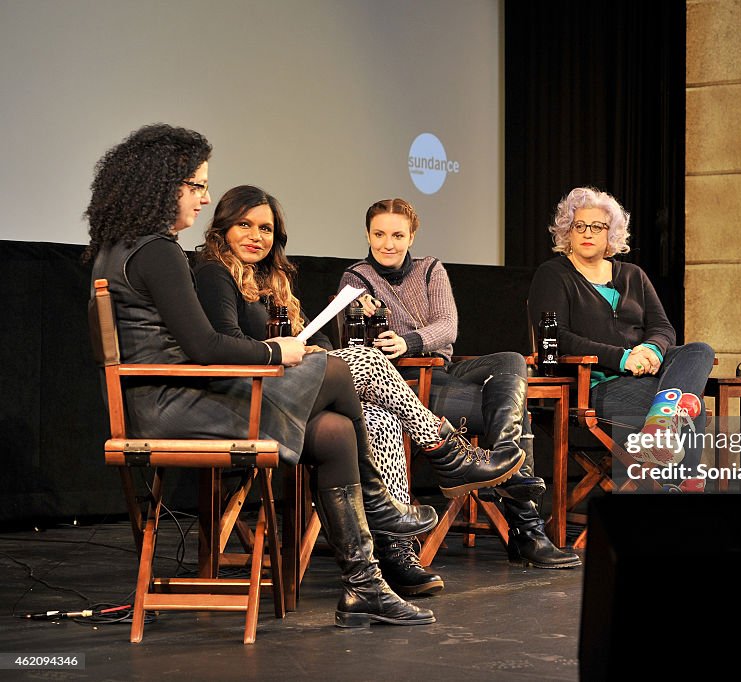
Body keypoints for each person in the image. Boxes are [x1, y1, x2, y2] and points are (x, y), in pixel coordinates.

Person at [84, 125, 514, 628]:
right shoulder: (157, 251)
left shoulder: (126, 247)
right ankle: (401, 486)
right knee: (333, 366)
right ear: (164, 185)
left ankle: (364, 586)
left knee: (333, 433)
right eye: (196, 186)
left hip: (173, 400)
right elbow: (206, 347)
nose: (202, 198)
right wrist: (276, 349)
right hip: (173, 406)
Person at [193, 185, 524, 595]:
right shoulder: (214, 272)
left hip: (285, 390)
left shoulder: (267, 279)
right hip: (251, 397)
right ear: (223, 227)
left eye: (265, 228)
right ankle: (445, 452)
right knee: (368, 360)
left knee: (379, 415)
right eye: (244, 225)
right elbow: (224, 344)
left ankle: (395, 552)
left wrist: (310, 347)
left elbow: (325, 343)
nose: (256, 236)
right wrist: (285, 349)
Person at [340, 198, 581, 569]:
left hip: (445, 370)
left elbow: (447, 327)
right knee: (518, 415)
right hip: (402, 383)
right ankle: (527, 530)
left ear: (412, 235)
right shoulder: (355, 279)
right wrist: (359, 312)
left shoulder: (430, 269)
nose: (388, 244)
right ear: (367, 234)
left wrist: (410, 340)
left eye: (398, 235)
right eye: (379, 234)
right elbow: (350, 345)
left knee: (512, 361)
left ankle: (500, 464)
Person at [527, 186, 716, 488]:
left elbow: (663, 328)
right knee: (690, 407)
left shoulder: (633, 275)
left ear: (610, 234)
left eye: (597, 227)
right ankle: (679, 483)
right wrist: (624, 358)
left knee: (699, 351)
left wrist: (653, 350)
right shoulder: (554, 274)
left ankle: (659, 430)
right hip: (597, 384)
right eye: (580, 226)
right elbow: (559, 337)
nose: (588, 233)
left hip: (647, 375)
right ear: (568, 232)